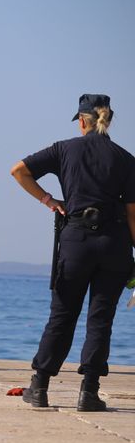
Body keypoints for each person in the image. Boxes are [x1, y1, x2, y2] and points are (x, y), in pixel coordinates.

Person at [10, 94, 135, 411]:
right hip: (114, 243)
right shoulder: (125, 158)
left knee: (62, 314)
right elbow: (133, 214)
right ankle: (88, 393)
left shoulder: (63, 149)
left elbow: (19, 171)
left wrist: (49, 200)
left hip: (76, 239)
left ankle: (39, 387)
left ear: (82, 120)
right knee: (101, 319)